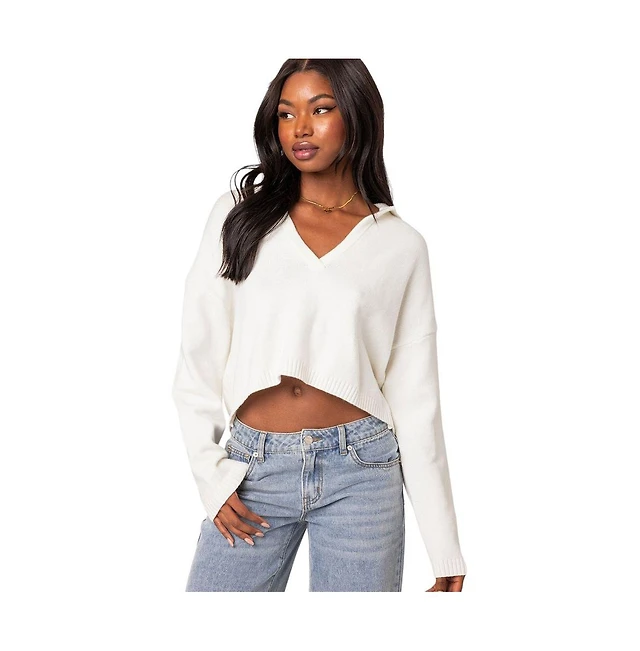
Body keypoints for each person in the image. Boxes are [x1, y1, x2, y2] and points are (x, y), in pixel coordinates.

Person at [171, 58, 467, 592]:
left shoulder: (400, 245)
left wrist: (444, 547)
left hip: (363, 470)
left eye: (320, 109)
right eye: (286, 114)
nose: (300, 128)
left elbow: (416, 400)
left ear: (357, 113)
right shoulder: (239, 215)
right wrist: (211, 477)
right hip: (253, 468)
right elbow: (198, 356)